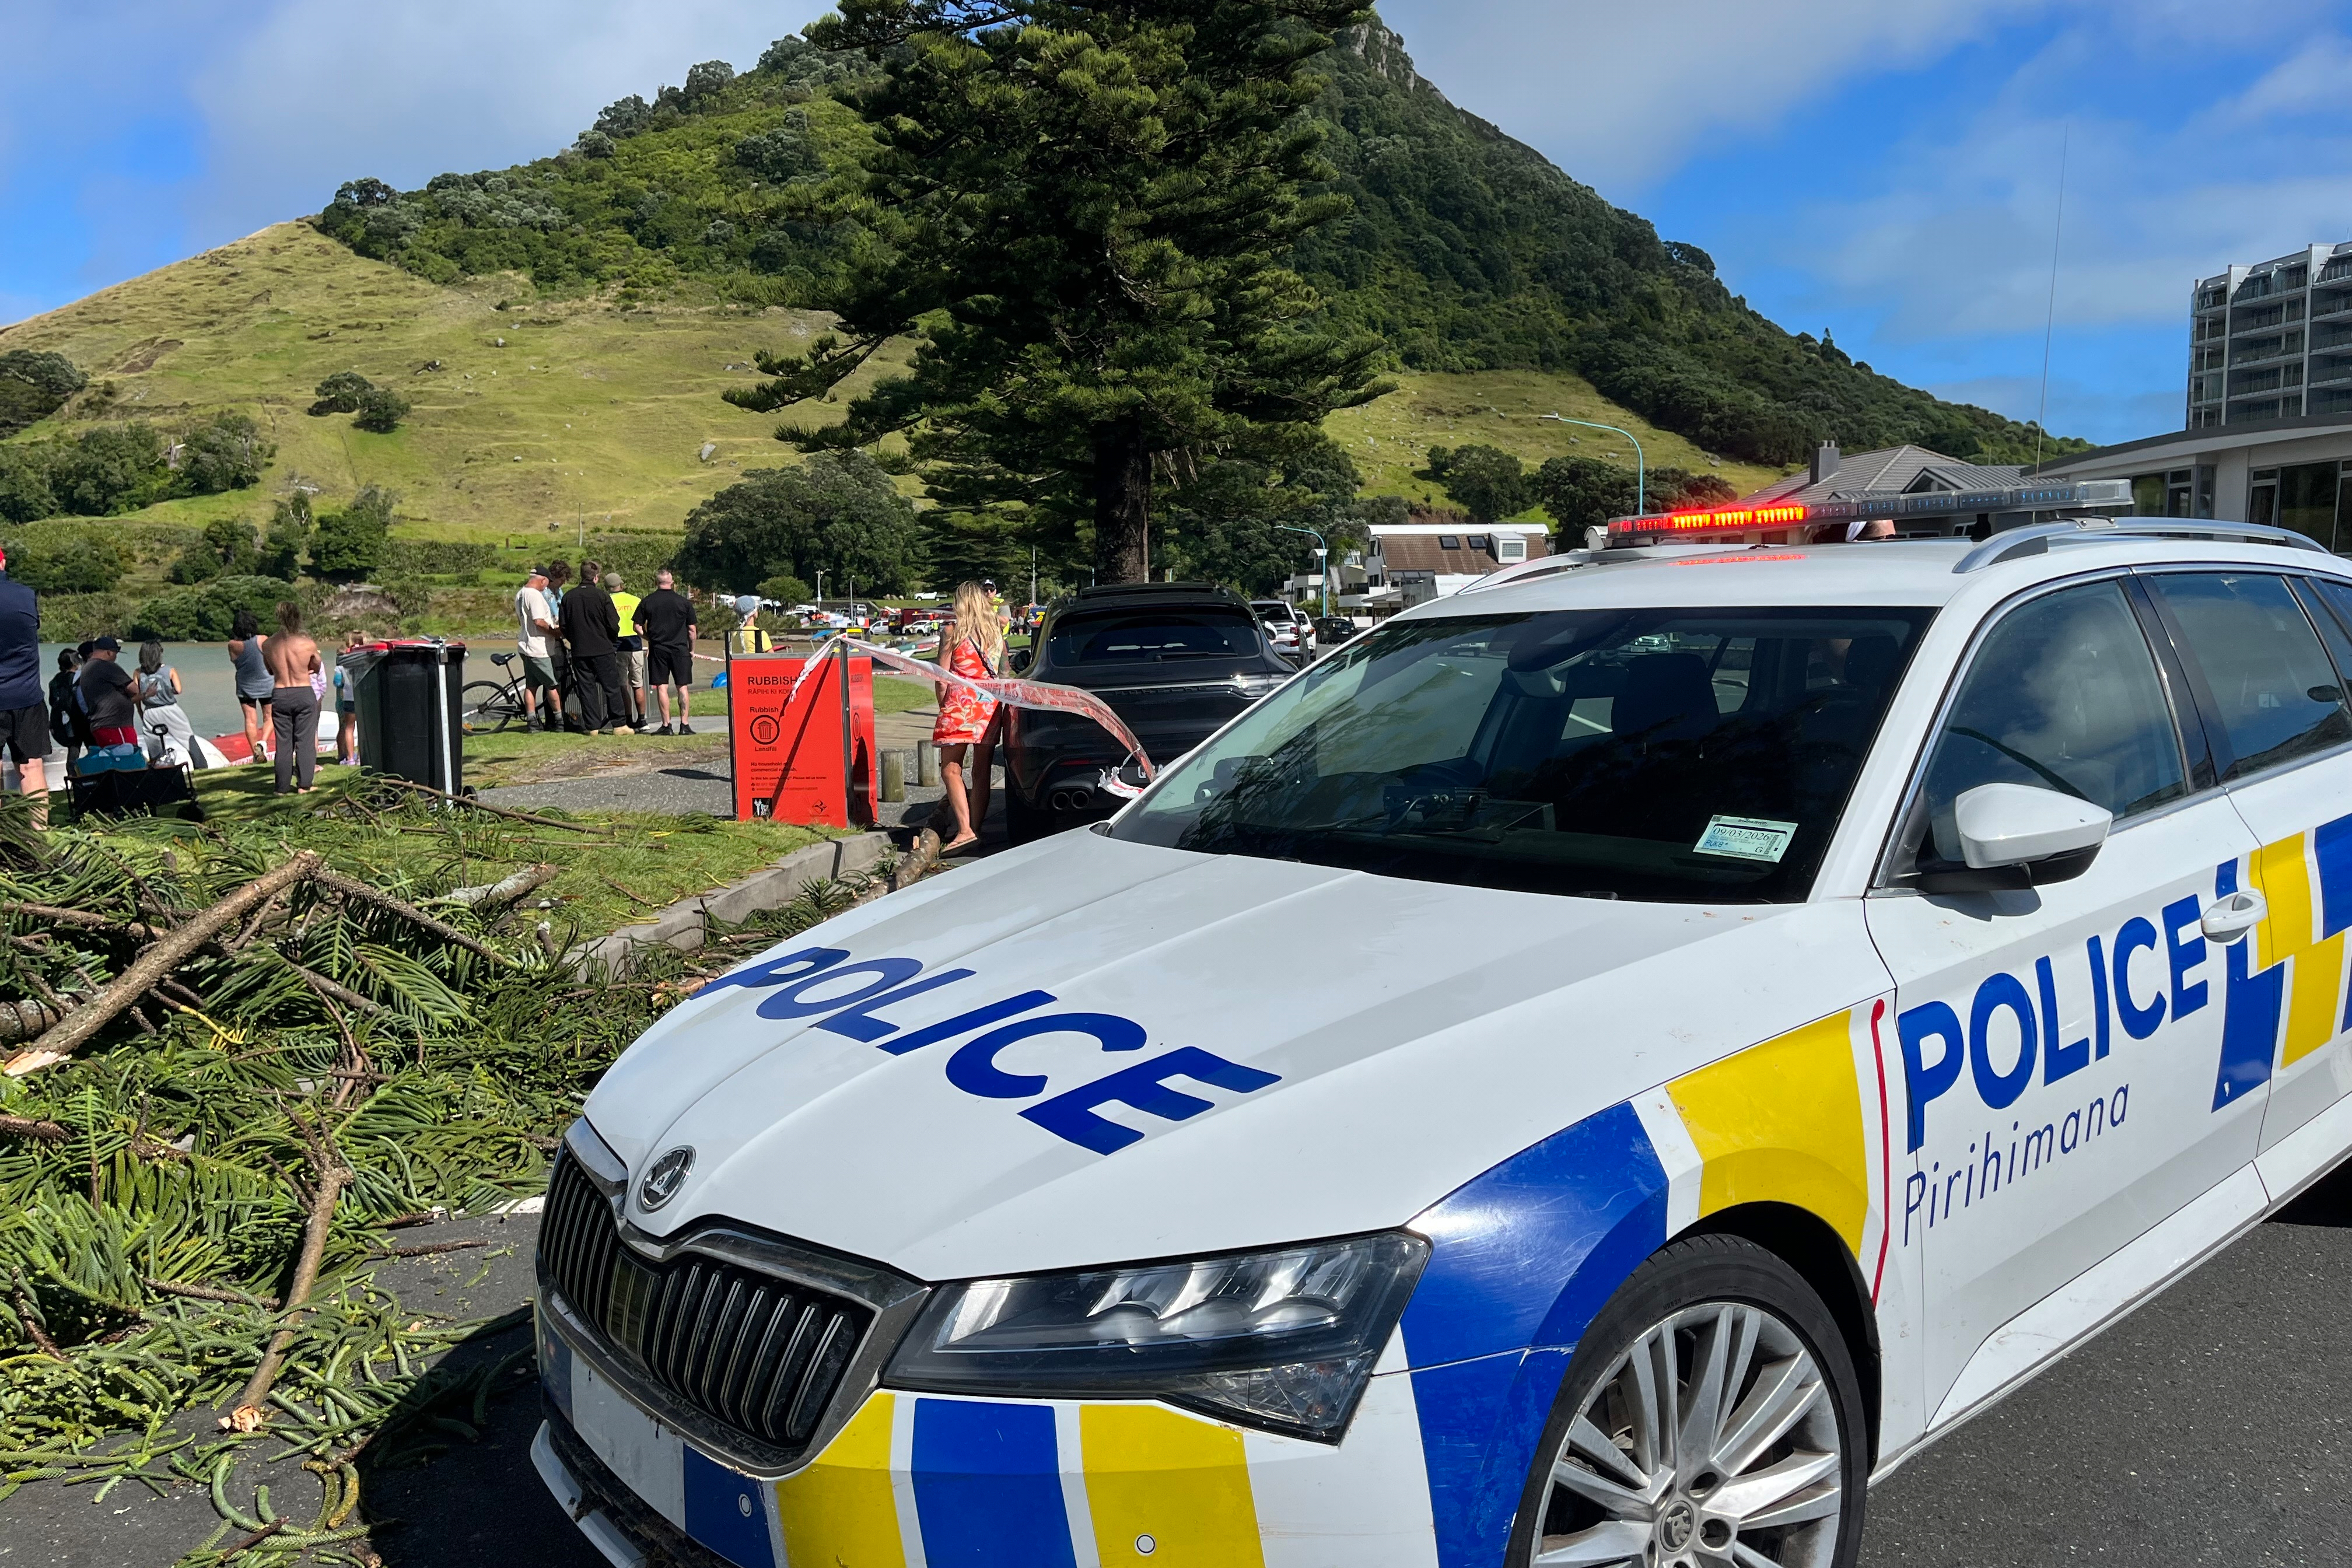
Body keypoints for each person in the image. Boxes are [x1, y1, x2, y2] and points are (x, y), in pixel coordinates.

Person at [931, 580, 1005, 854]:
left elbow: (942, 678)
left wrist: (943, 706)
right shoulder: (996, 630)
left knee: (951, 769)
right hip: (989, 704)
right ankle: (977, 828)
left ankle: (964, 830)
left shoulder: (952, 631)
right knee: (982, 770)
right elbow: (1004, 669)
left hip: (960, 704)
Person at [0, 545, 47, 825]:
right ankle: (39, 833)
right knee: (31, 765)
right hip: (27, 695)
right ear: (3, 563)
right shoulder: (26, 595)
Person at [557, 559, 631, 734]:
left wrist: (574, 640)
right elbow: (614, 623)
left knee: (586, 688)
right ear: (596, 578)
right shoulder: (602, 597)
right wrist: (611, 639)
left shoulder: (568, 597)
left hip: (580, 651)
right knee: (611, 687)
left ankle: (592, 727)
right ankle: (619, 725)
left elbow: (564, 626)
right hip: (603, 649)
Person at [262, 599, 323, 794]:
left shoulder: (268, 644)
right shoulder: (307, 644)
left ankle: (281, 787)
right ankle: (305, 784)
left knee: (284, 742)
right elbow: (317, 666)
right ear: (298, 617)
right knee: (304, 741)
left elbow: (270, 670)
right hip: (303, 691)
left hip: (280, 693)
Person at [635, 569, 699, 735]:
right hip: (680, 649)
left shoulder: (648, 601)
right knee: (682, 687)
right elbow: (692, 630)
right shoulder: (684, 603)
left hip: (658, 649)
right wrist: (691, 649)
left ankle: (666, 725)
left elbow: (637, 626)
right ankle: (685, 725)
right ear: (672, 583)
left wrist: (650, 639)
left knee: (662, 687)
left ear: (656, 583)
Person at [513, 566, 564, 733]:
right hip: (538, 648)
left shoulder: (520, 593)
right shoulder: (534, 595)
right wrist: (554, 632)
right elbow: (539, 621)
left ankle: (532, 721)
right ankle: (559, 721)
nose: (546, 588)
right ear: (543, 580)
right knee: (552, 685)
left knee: (531, 685)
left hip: (525, 645)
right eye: (546, 584)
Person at [76, 636, 140, 769]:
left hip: (100, 725)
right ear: (110, 652)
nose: (115, 658)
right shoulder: (107, 666)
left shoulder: (88, 668)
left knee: (113, 765)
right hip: (115, 725)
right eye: (115, 654)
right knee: (127, 763)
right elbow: (134, 689)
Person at [133, 641, 197, 768]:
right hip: (170, 709)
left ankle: (159, 770)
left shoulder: (138, 673)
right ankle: (200, 765)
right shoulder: (170, 670)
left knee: (154, 746)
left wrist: (141, 713)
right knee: (188, 740)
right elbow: (178, 690)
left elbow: (137, 696)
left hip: (150, 712)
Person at [227, 609, 273, 764]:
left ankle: (255, 753)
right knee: (270, 717)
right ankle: (263, 742)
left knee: (250, 720)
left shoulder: (233, 645)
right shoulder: (263, 639)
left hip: (246, 685)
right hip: (267, 683)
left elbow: (235, 661)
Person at [606, 571, 646, 728]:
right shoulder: (635, 600)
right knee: (638, 684)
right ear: (621, 585)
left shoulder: (606, 601)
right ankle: (642, 720)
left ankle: (628, 719)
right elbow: (643, 623)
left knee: (623, 685)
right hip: (635, 643)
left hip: (617, 645)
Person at [544, 560, 575, 727]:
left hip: (561, 636)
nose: (563, 582)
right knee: (553, 679)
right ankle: (553, 719)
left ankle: (561, 714)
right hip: (550, 638)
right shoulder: (543, 593)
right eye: (562, 579)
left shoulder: (559, 591)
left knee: (563, 678)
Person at [48, 647, 86, 780]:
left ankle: (72, 778)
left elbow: (52, 701)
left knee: (73, 750)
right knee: (90, 747)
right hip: (78, 720)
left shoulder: (55, 680)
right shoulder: (78, 678)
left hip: (60, 722)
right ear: (76, 663)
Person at [332, 632, 365, 762]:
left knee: (349, 728)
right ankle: (362, 758)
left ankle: (350, 758)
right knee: (363, 729)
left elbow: (338, 683)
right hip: (363, 698)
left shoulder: (343, 663)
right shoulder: (365, 660)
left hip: (349, 698)